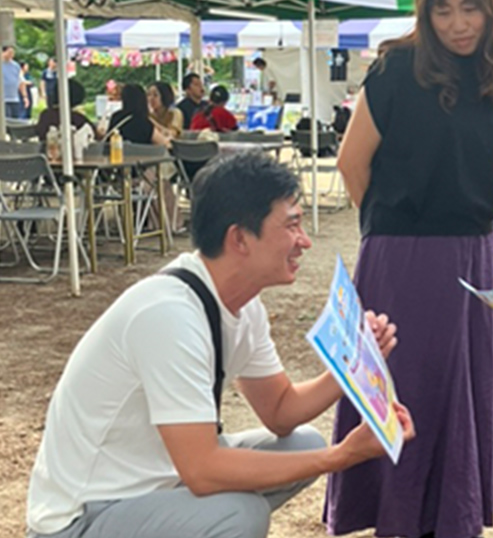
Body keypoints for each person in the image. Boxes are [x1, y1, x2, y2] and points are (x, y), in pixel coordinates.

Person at [25, 152, 416, 538]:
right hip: (81, 519)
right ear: (240, 239)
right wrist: (340, 457)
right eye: (292, 225)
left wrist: (352, 364)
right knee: (237, 514)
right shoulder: (168, 314)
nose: (305, 241)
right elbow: (202, 469)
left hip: (156, 487)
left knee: (302, 444)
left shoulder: (242, 307)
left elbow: (280, 412)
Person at [326, 0, 493, 538]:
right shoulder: (395, 66)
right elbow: (352, 162)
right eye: (443, 11)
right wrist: (393, 234)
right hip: (403, 259)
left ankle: (457, 516)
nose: (458, 24)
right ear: (425, 11)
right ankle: (398, 520)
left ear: (490, 8)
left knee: (467, 396)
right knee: (407, 394)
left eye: (470, 8)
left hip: (477, 254)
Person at [2, 45, 27, 122]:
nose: (11, 55)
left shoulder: (16, 66)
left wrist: (25, 96)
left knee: (15, 120)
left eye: (13, 53)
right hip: (3, 99)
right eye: (9, 52)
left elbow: (21, 81)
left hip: (14, 98)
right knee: (6, 120)